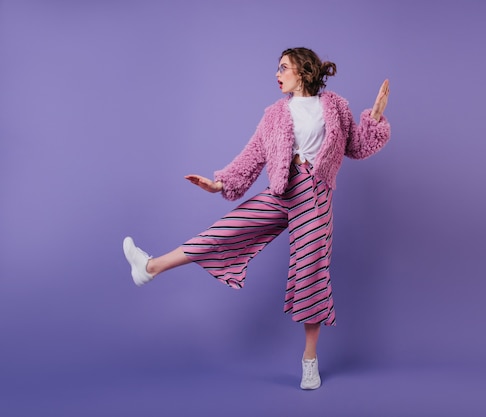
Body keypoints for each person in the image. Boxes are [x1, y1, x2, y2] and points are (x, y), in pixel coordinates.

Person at [123, 47, 390, 390]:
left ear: (303, 72)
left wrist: (376, 117)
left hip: (315, 194)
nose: (277, 74)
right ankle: (150, 268)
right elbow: (252, 155)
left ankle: (310, 362)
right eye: (277, 69)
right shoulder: (275, 114)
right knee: (224, 230)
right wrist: (218, 183)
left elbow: (357, 145)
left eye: (283, 68)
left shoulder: (336, 106)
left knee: (311, 271)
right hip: (282, 190)